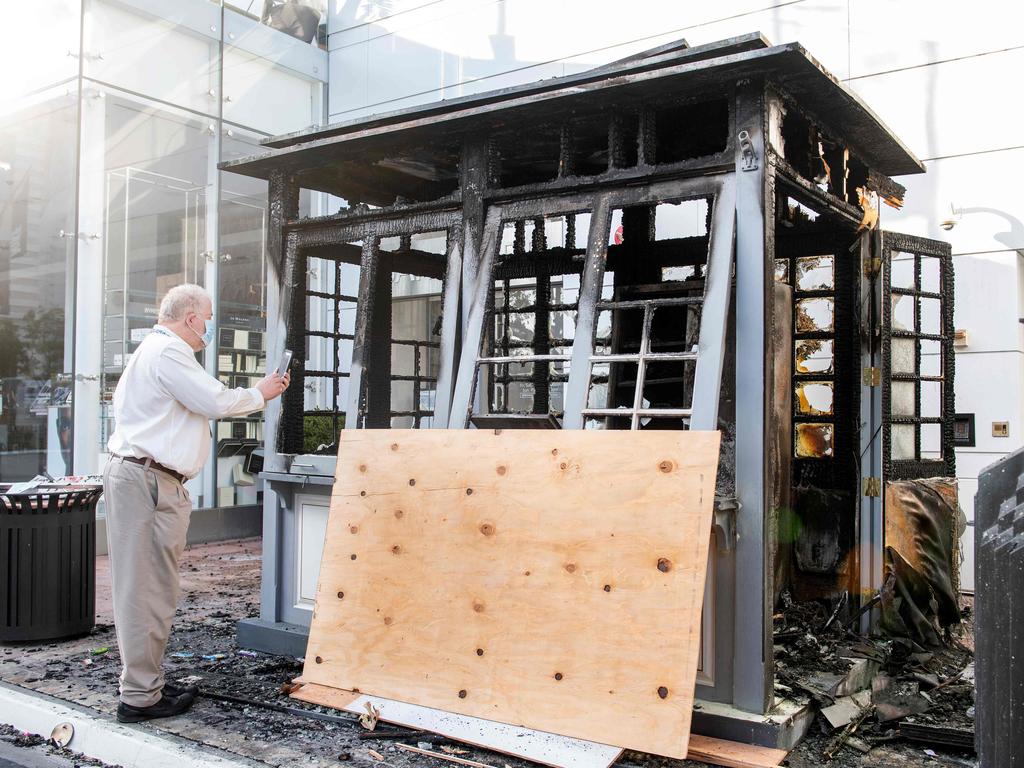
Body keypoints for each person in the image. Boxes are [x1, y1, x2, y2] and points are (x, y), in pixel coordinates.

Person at [103, 284, 289, 723]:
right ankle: (139, 698)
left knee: (149, 588)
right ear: (190, 318)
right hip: (147, 481)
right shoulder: (168, 353)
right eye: (206, 317)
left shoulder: (153, 351)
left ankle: (145, 687)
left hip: (147, 479)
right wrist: (261, 392)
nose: (209, 325)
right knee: (145, 590)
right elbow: (215, 400)